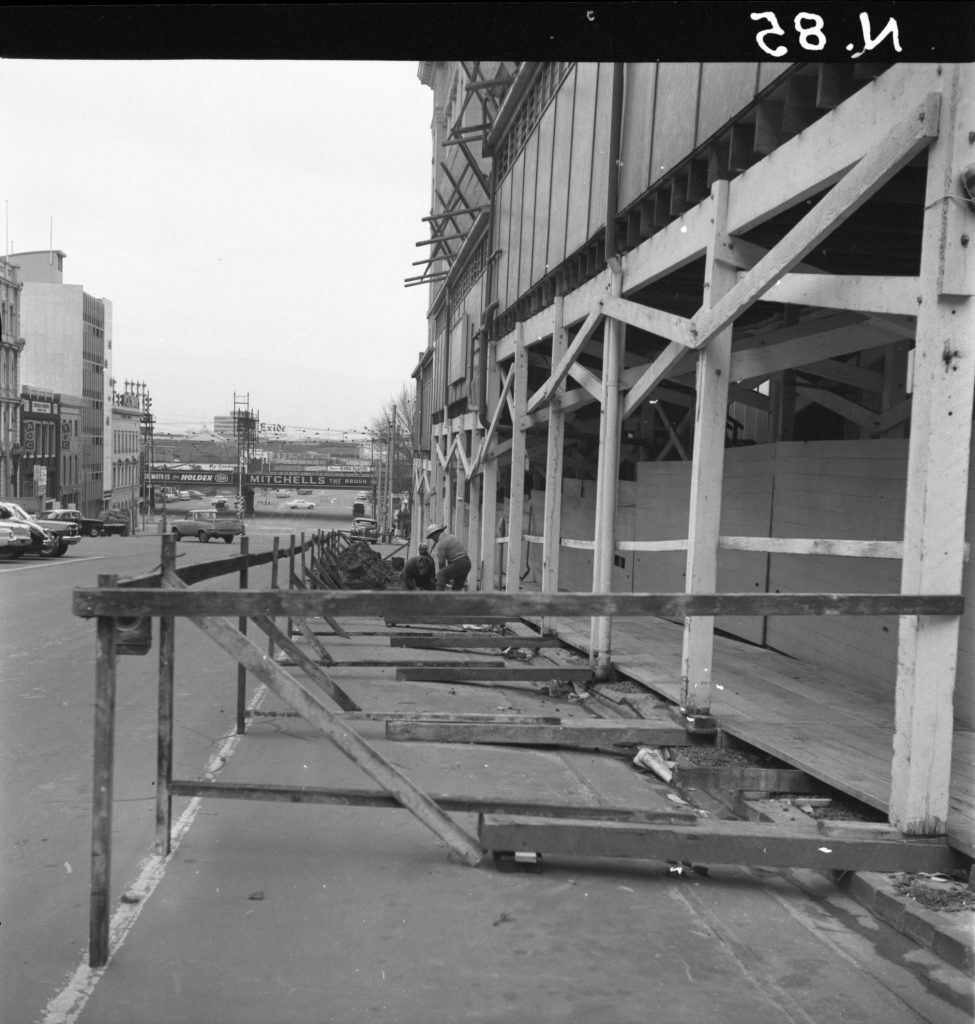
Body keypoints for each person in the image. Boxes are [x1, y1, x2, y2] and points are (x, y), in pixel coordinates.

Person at [425, 523, 472, 591]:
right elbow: (452, 559)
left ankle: (438, 598)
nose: (433, 540)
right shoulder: (450, 537)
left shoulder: (441, 543)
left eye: (432, 537)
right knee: (456, 589)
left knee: (441, 574)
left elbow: (441, 563)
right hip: (467, 563)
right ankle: (454, 600)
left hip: (459, 563)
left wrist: (443, 578)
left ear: (435, 534)